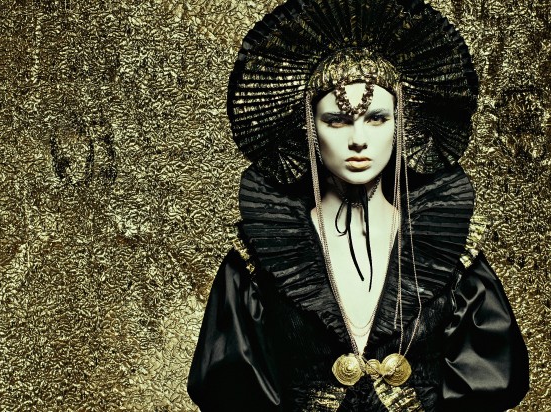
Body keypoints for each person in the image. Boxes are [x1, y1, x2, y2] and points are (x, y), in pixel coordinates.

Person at [188, 0, 529, 410]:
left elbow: (494, 375)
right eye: (337, 120)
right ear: (308, 128)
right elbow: (227, 384)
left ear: (402, 124)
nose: (358, 140)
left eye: (377, 118)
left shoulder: (451, 250)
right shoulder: (258, 256)